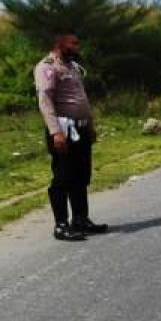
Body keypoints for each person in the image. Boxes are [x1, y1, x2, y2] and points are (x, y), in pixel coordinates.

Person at [34, 33, 108, 241]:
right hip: (64, 130)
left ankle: (80, 219)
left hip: (81, 129)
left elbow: (82, 99)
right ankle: (61, 225)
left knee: (81, 176)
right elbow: (45, 100)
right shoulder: (47, 67)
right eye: (73, 44)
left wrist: (90, 126)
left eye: (78, 43)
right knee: (63, 177)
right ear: (60, 44)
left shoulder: (73, 67)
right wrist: (55, 131)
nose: (77, 47)